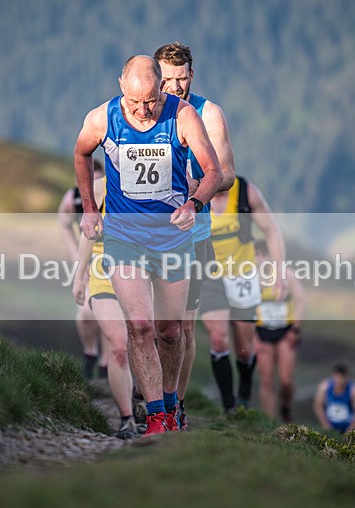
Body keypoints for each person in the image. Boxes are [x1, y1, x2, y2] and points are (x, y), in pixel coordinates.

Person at [73, 55, 223, 436]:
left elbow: (214, 172)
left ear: (162, 88)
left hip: (172, 238)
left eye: (151, 101)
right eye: (135, 101)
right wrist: (89, 208)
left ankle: (171, 405)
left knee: (170, 331)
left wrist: (194, 204)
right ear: (121, 86)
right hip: (124, 237)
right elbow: (81, 153)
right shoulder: (103, 118)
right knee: (140, 327)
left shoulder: (183, 116)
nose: (143, 110)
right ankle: (156, 418)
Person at [154, 42, 237, 431]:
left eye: (181, 78)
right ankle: (152, 394)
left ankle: (175, 405)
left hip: (194, 232)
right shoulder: (145, 110)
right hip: (147, 232)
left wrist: (196, 186)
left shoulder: (209, 113)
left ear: (192, 75)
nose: (174, 87)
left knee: (183, 327)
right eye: (167, 79)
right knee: (150, 323)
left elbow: (229, 174)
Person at [199, 175, 286, 414]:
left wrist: (279, 271)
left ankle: (245, 390)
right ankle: (229, 407)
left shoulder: (246, 192)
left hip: (243, 276)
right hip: (209, 276)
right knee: (219, 339)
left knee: (244, 347)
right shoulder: (195, 188)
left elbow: (271, 230)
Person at [71, 174, 138, 439]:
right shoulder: (99, 188)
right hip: (103, 271)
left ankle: (146, 400)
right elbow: (87, 232)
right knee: (118, 347)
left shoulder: (158, 180)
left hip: (144, 270)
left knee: (146, 339)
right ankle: (127, 418)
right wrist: (79, 276)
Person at [57, 160, 106, 381]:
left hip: (113, 258)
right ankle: (90, 352)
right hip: (88, 259)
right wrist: (76, 255)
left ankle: (106, 364)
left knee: (110, 315)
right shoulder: (74, 197)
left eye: (98, 180)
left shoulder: (112, 194)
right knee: (86, 312)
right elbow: (63, 222)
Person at [253, 241, 304, 422]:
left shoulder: (286, 274)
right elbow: (245, 308)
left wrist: (295, 328)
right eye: (256, 254)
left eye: (263, 254)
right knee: (266, 380)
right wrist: (253, 336)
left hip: (285, 331)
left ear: (271, 255)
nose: (259, 259)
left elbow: (300, 300)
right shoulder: (251, 278)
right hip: (262, 332)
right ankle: (269, 421)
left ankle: (285, 407)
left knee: (286, 382)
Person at [313, 364, 355, 434]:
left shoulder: (354, 389)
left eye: (341, 377)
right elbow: (317, 405)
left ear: (346, 377)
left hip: (347, 426)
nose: (338, 380)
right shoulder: (324, 386)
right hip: (330, 426)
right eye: (336, 377)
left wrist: (351, 428)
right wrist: (325, 424)